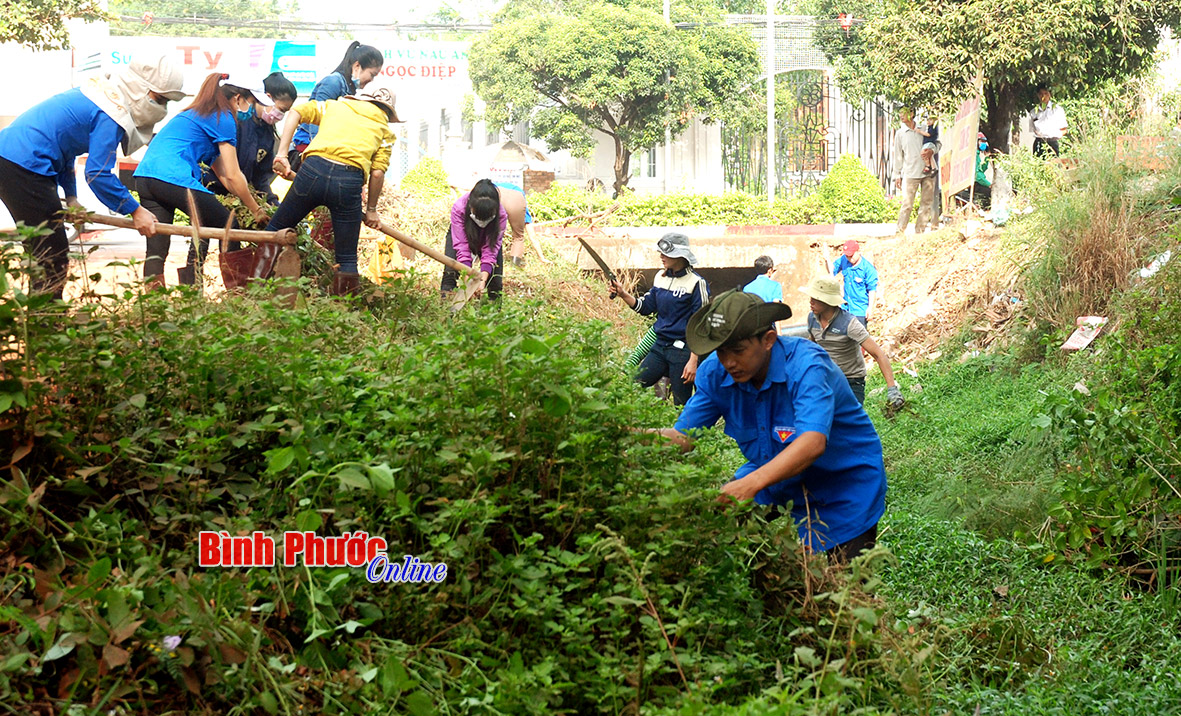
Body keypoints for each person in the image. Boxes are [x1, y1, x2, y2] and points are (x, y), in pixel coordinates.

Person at [653, 290, 887, 560]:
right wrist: (626, 437)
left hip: (844, 484)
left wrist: (750, 484)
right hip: (772, 472)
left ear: (768, 340)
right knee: (713, 532)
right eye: (720, 352)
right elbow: (682, 437)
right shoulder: (716, 373)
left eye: (738, 351)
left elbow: (811, 443)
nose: (728, 362)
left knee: (844, 586)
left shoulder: (807, 367)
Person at [0, 56, 184, 297]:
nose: (163, 109)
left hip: (14, 159)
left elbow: (65, 152)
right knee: (50, 256)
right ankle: (45, 327)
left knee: (43, 250)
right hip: (23, 165)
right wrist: (135, 210)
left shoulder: (101, 96)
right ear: (142, 89)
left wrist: (71, 196)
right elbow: (98, 174)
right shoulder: (111, 111)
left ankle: (40, 323)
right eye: (161, 100)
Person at [133, 73, 269, 286]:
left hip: (146, 177)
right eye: (251, 103)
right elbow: (234, 175)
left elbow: (224, 175)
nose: (250, 109)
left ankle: (159, 305)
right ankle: (240, 295)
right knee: (229, 225)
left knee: (157, 248)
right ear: (238, 98)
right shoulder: (222, 117)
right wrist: (255, 209)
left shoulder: (198, 114)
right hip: (172, 177)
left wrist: (249, 201)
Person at [269, 85, 400, 295]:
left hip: (312, 171)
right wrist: (372, 209)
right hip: (348, 182)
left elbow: (296, 112)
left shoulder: (335, 106)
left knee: (275, 231)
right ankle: (345, 313)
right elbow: (377, 174)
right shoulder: (384, 131)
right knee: (346, 257)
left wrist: (282, 154)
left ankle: (252, 291)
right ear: (386, 111)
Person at [609, 233, 710, 405]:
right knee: (633, 386)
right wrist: (622, 293)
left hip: (683, 351)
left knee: (681, 403)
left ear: (680, 256)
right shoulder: (660, 277)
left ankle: (686, 432)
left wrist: (693, 361)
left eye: (666, 253)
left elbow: (701, 326)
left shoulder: (696, 283)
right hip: (659, 347)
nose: (661, 256)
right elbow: (645, 306)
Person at [800, 276, 903, 409]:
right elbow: (814, 346)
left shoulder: (849, 324)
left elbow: (878, 354)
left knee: (850, 424)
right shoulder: (812, 319)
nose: (811, 302)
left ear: (827, 301)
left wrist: (892, 389)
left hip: (851, 381)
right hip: (826, 379)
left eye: (816, 299)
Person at [204, 72, 297, 206]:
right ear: (267, 97)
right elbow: (226, 170)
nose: (280, 116)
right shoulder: (237, 121)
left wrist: (272, 204)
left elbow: (260, 178)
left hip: (240, 196)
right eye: (281, 109)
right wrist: (252, 205)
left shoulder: (267, 135)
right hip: (215, 192)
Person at [289, 42, 384, 171]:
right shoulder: (333, 82)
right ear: (357, 65)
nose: (371, 80)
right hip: (310, 148)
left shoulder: (350, 90)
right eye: (372, 74)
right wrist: (319, 155)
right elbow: (315, 120)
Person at [440, 179, 508, 301]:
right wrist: (468, 280)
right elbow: (461, 246)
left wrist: (482, 281)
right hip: (462, 234)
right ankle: (446, 309)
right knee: (450, 272)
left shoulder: (501, 215)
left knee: (495, 280)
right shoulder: (459, 208)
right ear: (471, 207)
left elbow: (490, 250)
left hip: (489, 237)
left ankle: (495, 316)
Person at [892, 107, 936, 235]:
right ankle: (900, 232)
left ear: (911, 113)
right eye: (899, 113)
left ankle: (920, 232)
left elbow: (935, 144)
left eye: (903, 113)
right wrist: (897, 175)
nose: (901, 115)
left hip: (927, 172)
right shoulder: (900, 133)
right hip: (910, 173)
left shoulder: (923, 129)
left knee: (926, 203)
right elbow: (898, 156)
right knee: (907, 204)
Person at [830, 240, 877, 327]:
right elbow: (832, 269)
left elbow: (872, 290)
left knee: (858, 338)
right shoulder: (844, 259)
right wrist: (828, 263)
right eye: (847, 256)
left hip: (859, 311)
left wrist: (870, 308)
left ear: (858, 252)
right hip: (845, 309)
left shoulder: (868, 269)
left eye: (851, 256)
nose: (849, 258)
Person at [956, 132, 992, 210]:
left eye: (985, 142)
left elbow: (981, 169)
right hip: (976, 184)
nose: (984, 144)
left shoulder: (977, 155)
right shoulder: (973, 155)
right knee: (991, 193)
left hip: (977, 183)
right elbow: (977, 175)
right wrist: (989, 184)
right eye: (982, 142)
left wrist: (987, 158)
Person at [1029, 85, 1067, 159]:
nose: (1043, 96)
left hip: (1052, 142)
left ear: (1049, 94)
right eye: (1041, 94)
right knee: (1039, 166)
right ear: (1038, 95)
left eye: (1046, 93)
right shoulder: (1033, 112)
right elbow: (1032, 130)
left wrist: (1055, 135)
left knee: (1053, 166)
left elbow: (1064, 129)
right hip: (1039, 143)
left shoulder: (1057, 110)